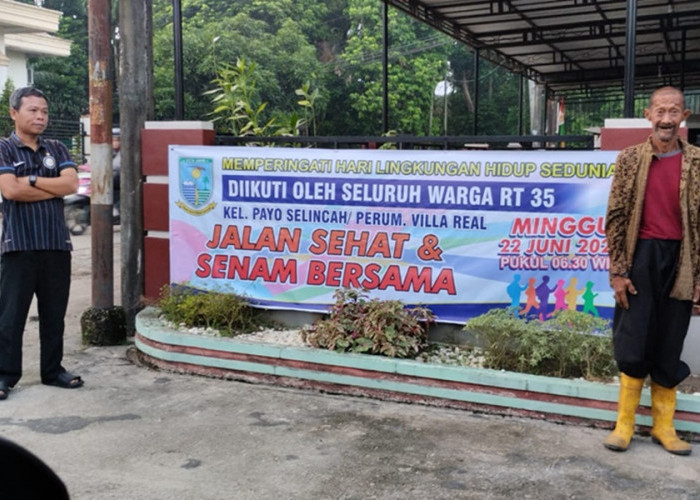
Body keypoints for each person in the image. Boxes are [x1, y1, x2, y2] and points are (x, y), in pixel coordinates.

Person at [603, 86, 700, 455]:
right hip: (640, 257)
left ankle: (664, 426)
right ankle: (624, 424)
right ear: (648, 115)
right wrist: (618, 271)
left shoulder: (697, 162)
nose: (666, 119)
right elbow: (615, 217)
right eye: (660, 111)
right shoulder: (630, 159)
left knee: (670, 341)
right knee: (633, 340)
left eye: (674, 111)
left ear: (684, 117)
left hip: (682, 261)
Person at [0, 86, 83, 401]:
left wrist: (32, 181)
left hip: (55, 243)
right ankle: (5, 375)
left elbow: (71, 184)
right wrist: (51, 187)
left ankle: (53, 370)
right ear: (14, 113)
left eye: (44, 111)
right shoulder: (4, 148)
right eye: (33, 110)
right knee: (11, 316)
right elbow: (10, 190)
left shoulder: (57, 148)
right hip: (18, 245)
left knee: (54, 314)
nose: (40, 116)